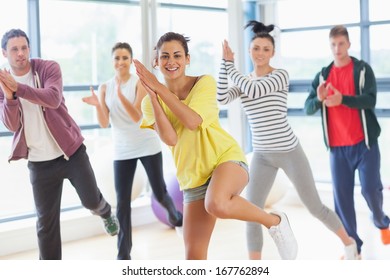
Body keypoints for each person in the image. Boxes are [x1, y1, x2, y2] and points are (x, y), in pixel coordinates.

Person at [133, 31, 298, 260]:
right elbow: (170, 139)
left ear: (187, 59)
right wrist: (153, 96)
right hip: (193, 177)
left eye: (177, 55)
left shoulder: (204, 83)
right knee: (194, 258)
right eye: (165, 56)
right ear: (156, 62)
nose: (171, 61)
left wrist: (159, 89)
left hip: (225, 159)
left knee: (217, 203)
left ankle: (275, 222)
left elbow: (192, 121)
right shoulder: (149, 103)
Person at [217, 20, 359, 260]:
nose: (260, 53)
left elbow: (253, 90)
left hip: (288, 150)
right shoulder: (244, 80)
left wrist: (231, 67)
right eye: (256, 48)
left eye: (266, 49)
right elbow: (221, 97)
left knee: (314, 206)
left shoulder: (280, 76)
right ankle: (255, 267)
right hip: (262, 155)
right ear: (249, 51)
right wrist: (224, 64)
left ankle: (350, 245)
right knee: (252, 211)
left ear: (272, 53)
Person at [0, 29, 119, 260]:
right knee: (46, 225)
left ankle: (105, 212)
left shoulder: (47, 68)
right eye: (14, 49)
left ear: (29, 49)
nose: (20, 53)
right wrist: (11, 97)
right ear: (4, 53)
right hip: (39, 163)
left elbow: (53, 98)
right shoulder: (2, 83)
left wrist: (18, 88)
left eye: (24, 47)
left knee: (91, 200)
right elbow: (12, 125)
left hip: (71, 153)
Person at [82, 42, 183, 260]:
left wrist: (119, 95)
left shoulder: (139, 83)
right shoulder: (104, 88)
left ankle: (175, 216)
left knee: (159, 192)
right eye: (117, 58)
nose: (121, 62)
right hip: (122, 149)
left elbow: (137, 116)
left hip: (147, 143)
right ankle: (123, 254)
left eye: (125, 58)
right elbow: (103, 122)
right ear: (112, 61)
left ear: (130, 60)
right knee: (122, 202)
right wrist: (99, 105)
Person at [304, 25, 390, 257]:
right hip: (337, 149)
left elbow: (370, 100)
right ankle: (354, 246)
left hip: (365, 145)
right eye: (333, 44)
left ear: (349, 44)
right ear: (329, 45)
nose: (337, 48)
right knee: (342, 200)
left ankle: (382, 222)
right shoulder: (322, 75)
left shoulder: (362, 70)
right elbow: (308, 107)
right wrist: (319, 98)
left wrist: (343, 99)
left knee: (371, 191)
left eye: (341, 43)